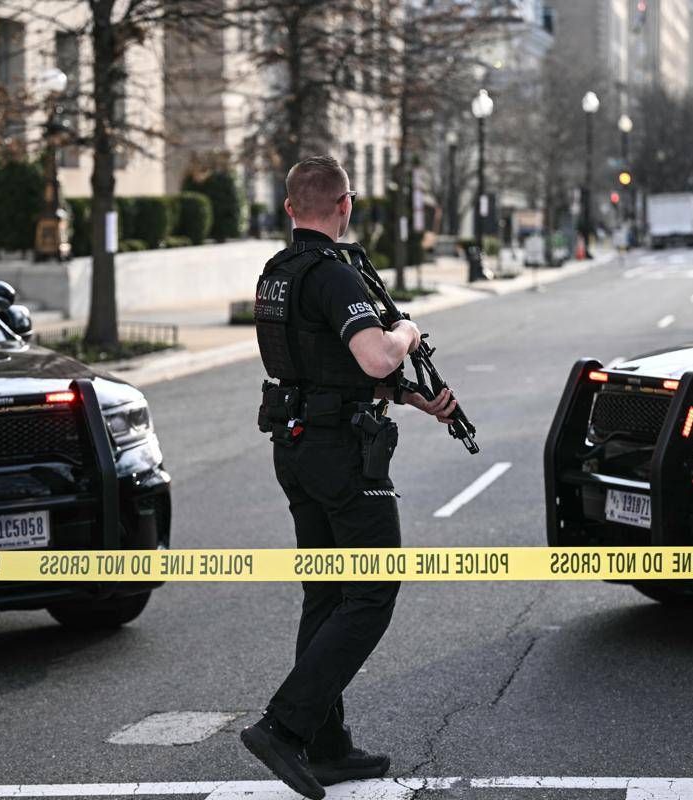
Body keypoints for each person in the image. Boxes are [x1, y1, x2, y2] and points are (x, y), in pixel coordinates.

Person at [241, 156, 457, 798]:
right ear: (346, 205)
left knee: (327, 592)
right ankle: (284, 727)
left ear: (289, 208)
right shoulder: (335, 274)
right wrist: (406, 332)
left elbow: (322, 367)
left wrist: (414, 399)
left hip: (296, 446)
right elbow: (374, 354)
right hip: (341, 455)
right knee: (372, 591)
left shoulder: (276, 274)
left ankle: (326, 747)